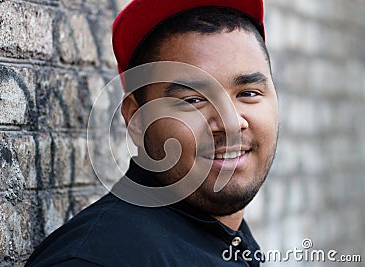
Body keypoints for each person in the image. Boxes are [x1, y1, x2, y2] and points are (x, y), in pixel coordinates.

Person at [26, 0, 278, 266]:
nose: (229, 122)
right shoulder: (97, 259)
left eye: (248, 94)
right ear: (136, 119)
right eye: (193, 100)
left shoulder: (230, 242)